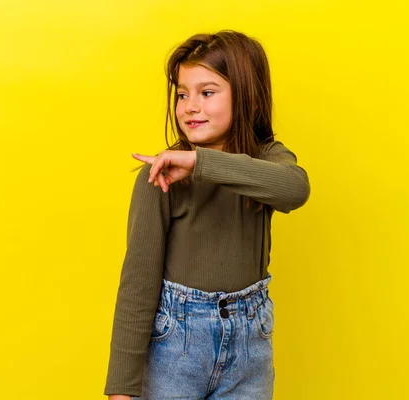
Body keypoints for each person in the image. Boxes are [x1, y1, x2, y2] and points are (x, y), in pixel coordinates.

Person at [104, 30, 311, 400]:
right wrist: (122, 387)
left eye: (207, 92)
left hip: (250, 347)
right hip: (176, 349)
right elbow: (137, 284)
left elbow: (294, 190)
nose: (189, 107)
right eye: (182, 94)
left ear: (245, 96)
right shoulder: (160, 177)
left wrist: (201, 163)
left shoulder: (267, 159)